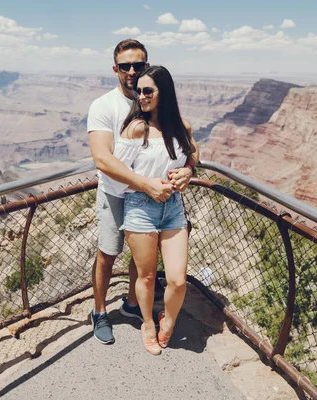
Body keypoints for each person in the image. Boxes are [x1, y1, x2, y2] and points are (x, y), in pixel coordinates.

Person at [87, 39, 198, 345]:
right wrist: (144, 183)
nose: (133, 71)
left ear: (147, 67)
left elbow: (185, 146)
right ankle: (99, 312)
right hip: (115, 193)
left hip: (154, 198)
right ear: (116, 69)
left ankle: (133, 306)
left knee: (142, 263)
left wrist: (189, 169)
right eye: (126, 66)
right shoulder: (104, 106)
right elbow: (103, 159)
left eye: (139, 65)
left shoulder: (152, 101)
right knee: (108, 254)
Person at [116, 65, 195, 355]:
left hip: (173, 207)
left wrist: (188, 171)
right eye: (139, 91)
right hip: (140, 206)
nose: (141, 96)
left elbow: (193, 154)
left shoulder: (182, 127)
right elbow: (116, 173)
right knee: (146, 276)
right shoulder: (138, 128)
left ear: (165, 93)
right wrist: (147, 185)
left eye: (148, 91)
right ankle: (147, 322)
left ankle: (169, 320)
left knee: (176, 279)